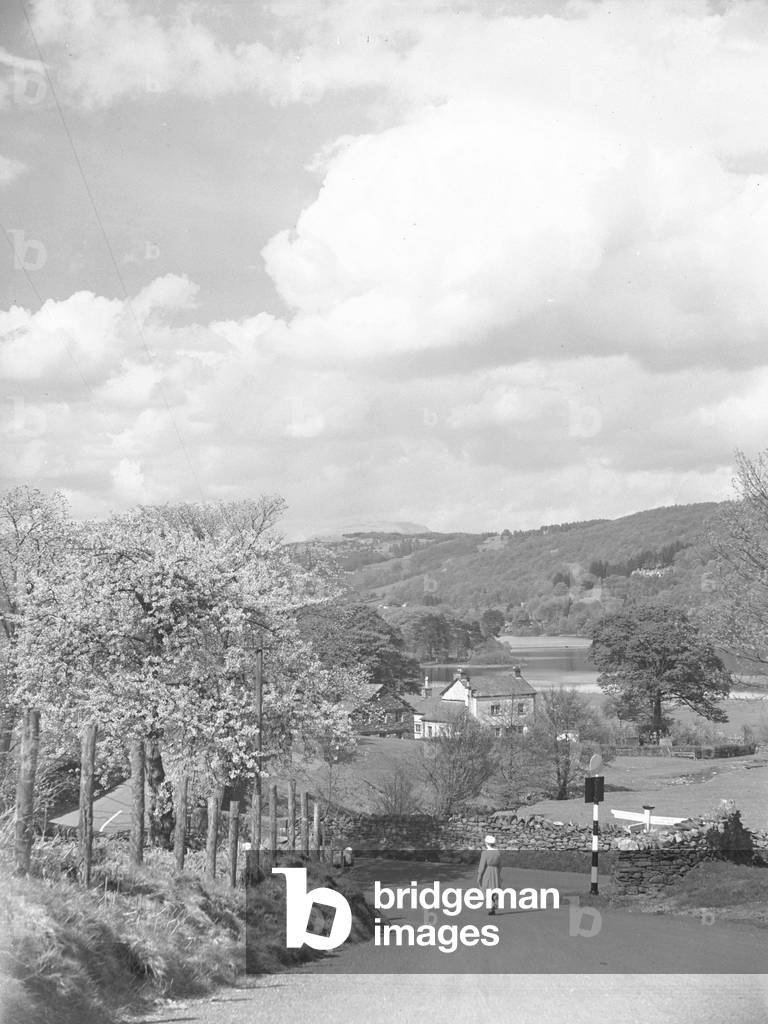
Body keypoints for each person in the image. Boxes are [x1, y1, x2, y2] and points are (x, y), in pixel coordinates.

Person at [477, 834, 502, 915]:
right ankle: (493, 904)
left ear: (487, 843)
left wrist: (479, 875)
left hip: (488, 871)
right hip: (495, 871)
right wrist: (498, 874)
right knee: (494, 888)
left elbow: (482, 865)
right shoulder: (497, 852)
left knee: (486, 888)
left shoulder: (485, 853)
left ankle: (492, 905)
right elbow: (500, 865)